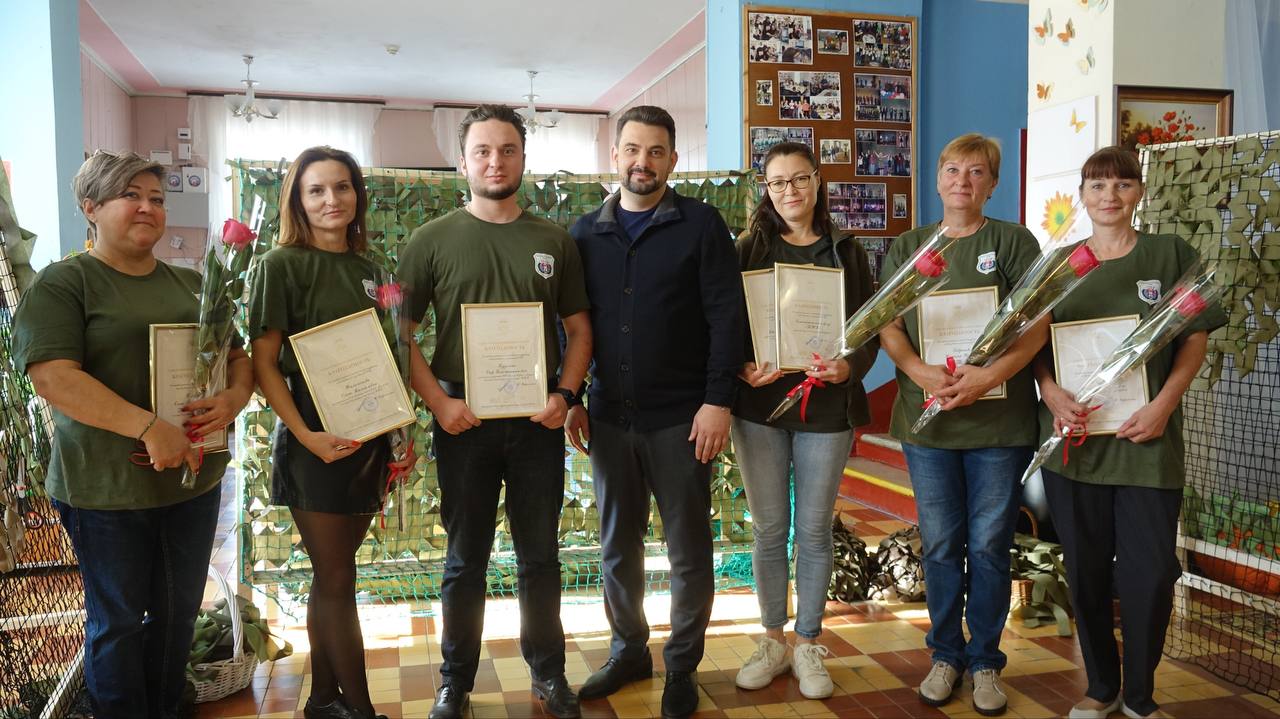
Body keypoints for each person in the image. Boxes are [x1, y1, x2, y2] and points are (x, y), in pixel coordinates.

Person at [13, 150, 254, 718]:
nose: (148, 208)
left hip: (192, 483)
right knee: (118, 622)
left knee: (177, 615)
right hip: (105, 491)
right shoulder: (65, 283)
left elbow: (236, 357)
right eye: (131, 196)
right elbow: (53, 377)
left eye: (157, 199)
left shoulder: (192, 284)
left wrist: (233, 398)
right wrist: (148, 427)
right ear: (91, 207)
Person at [398, 104, 592, 719]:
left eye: (507, 150)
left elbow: (579, 331)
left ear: (523, 159)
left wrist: (565, 396)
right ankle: (455, 681)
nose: (495, 161)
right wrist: (439, 403)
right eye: (482, 151)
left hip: (537, 422)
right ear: (463, 162)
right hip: (463, 422)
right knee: (464, 561)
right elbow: (399, 334)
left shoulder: (553, 241)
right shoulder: (431, 241)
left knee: (540, 558)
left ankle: (549, 673)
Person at [1032, 147, 1226, 719]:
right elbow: (1032, 345)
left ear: (1139, 192)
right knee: (1085, 573)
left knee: (1151, 574)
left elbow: (1194, 337)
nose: (1109, 196)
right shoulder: (1059, 266)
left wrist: (1164, 404)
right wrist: (1049, 390)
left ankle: (1140, 696)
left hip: (1147, 444)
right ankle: (1101, 689)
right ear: (1082, 196)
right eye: (1097, 186)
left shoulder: (1170, 254)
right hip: (1075, 447)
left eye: (1121, 184)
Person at [564, 105, 743, 719]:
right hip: (609, 418)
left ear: (672, 159)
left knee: (688, 550)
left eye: (656, 151)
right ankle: (629, 651)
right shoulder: (584, 233)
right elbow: (572, 327)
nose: (643, 162)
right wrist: (572, 396)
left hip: (683, 419)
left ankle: (682, 666)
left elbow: (726, 318)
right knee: (618, 546)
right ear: (615, 155)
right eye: (633, 149)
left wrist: (718, 401)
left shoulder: (702, 225)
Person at [878, 133, 1046, 716]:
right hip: (929, 425)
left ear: (993, 184)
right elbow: (887, 323)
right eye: (952, 170)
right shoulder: (909, 246)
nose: (962, 181)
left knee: (991, 546)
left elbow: (1036, 325)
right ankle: (946, 655)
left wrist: (986, 376)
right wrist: (917, 369)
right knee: (943, 544)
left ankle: (986, 662)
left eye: (976, 172)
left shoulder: (1013, 242)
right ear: (937, 178)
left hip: (998, 425)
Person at [248, 146, 411, 719]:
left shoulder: (374, 271)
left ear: (357, 196)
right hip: (314, 443)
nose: (331, 200)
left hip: (368, 440)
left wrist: (399, 433)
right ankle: (361, 710)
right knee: (340, 577)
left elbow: (392, 357)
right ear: (298, 199)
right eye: (316, 190)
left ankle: (322, 700)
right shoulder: (280, 265)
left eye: (342, 187)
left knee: (330, 577)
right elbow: (265, 363)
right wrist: (305, 435)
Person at [730, 142, 878, 699]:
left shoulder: (848, 251)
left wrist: (849, 367)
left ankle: (809, 643)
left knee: (814, 530)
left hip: (827, 410)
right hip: (759, 410)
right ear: (765, 190)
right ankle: (772, 639)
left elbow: (869, 327)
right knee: (770, 529)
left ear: (818, 181)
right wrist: (741, 367)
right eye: (777, 182)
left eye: (799, 179)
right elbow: (726, 321)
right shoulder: (747, 249)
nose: (789, 191)